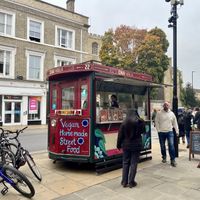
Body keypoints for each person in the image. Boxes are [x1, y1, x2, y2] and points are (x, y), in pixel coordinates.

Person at [117, 109, 145, 188]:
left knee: (125, 163)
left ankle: (124, 182)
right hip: (136, 145)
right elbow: (143, 131)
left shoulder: (124, 123)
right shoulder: (140, 122)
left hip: (126, 145)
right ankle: (131, 182)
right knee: (133, 163)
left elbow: (120, 136)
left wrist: (118, 145)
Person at [155, 102, 179, 167]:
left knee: (171, 146)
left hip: (169, 132)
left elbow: (175, 123)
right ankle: (164, 157)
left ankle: (173, 160)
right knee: (162, 146)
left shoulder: (172, 114)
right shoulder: (159, 113)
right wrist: (158, 130)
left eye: (167, 105)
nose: (166, 106)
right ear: (163, 106)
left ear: (169, 106)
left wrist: (177, 131)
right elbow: (156, 122)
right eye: (165, 105)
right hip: (161, 132)